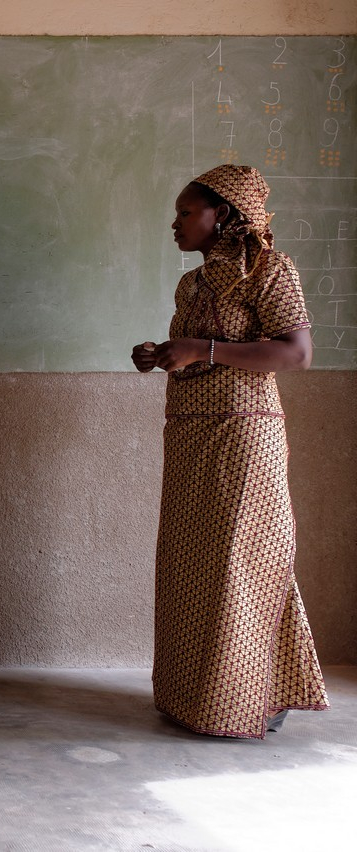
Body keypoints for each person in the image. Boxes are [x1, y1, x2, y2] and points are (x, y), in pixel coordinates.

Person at [131, 164, 329, 738]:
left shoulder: (270, 271)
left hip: (245, 436)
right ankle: (193, 697)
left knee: (242, 564)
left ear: (226, 216)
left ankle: (254, 696)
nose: (175, 223)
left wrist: (203, 349)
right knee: (191, 565)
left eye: (186, 212)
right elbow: (197, 353)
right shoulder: (190, 285)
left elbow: (296, 355)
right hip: (190, 434)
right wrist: (163, 354)